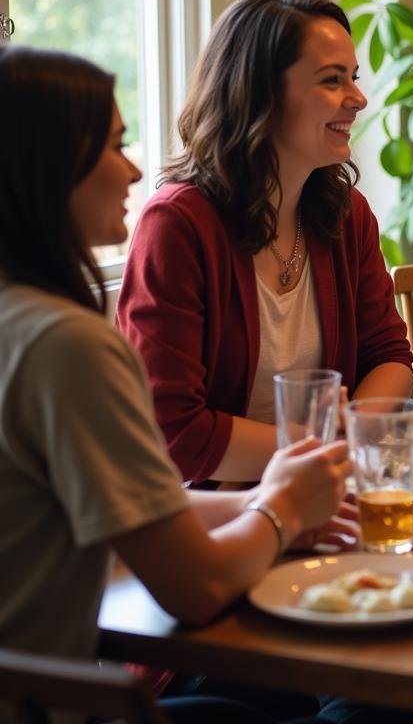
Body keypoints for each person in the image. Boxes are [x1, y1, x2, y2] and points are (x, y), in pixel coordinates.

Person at [0, 45, 352, 722]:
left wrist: (284, 507)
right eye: (113, 145)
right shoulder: (66, 344)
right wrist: (278, 512)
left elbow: (137, 510)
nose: (132, 169)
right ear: (45, 168)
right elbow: (198, 585)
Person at [117, 0, 413, 484]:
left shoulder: (346, 214)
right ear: (261, 95)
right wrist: (319, 447)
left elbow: (389, 357)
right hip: (206, 513)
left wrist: (345, 436)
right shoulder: (176, 225)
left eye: (353, 78)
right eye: (331, 80)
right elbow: (171, 432)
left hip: (323, 490)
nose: (359, 99)